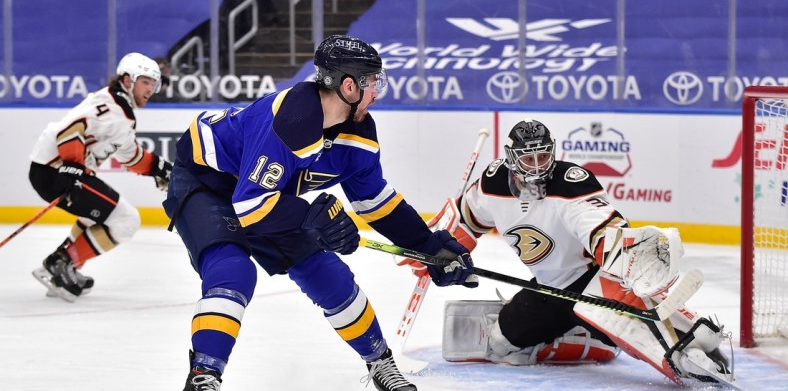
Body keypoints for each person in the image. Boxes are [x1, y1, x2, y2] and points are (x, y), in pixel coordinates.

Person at [163, 34, 478, 391]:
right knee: (233, 269)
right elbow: (250, 206)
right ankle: (204, 375)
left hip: (265, 195)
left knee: (329, 274)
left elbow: (375, 201)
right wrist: (311, 219)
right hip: (209, 180)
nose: (377, 91)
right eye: (372, 82)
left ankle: (381, 364)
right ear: (348, 85)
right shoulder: (289, 120)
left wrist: (427, 245)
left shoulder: (358, 133)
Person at [402, 119, 737, 387]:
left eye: (543, 156)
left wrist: (623, 253)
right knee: (501, 343)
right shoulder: (491, 184)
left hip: (592, 280)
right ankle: (594, 341)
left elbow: (601, 228)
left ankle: (683, 347)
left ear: (554, 153)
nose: (536, 167)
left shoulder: (571, 183)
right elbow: (467, 221)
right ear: (511, 157)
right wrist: (436, 251)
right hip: (549, 288)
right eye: (528, 158)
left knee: (630, 327)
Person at [29, 52, 172, 302]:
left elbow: (131, 156)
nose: (151, 89)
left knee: (98, 214)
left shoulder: (120, 111)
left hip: (54, 171)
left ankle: (61, 265)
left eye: (154, 83)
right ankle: (61, 263)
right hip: (55, 172)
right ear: (128, 80)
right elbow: (70, 129)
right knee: (126, 220)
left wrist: (158, 168)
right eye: (146, 81)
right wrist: (71, 168)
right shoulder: (111, 107)